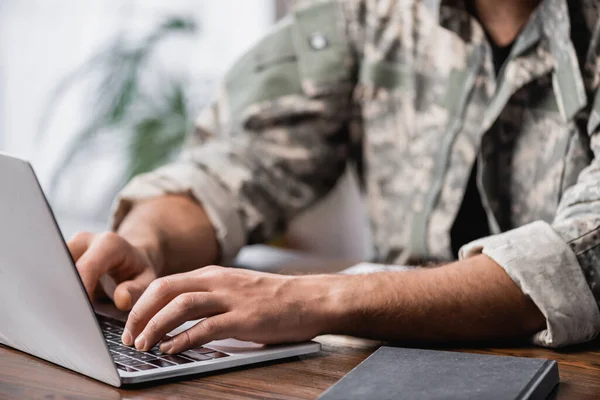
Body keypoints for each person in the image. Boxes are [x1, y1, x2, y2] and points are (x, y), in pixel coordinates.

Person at [68, 0, 600, 355]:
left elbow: (584, 253)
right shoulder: (367, 12)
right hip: (388, 368)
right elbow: (244, 163)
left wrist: (312, 300)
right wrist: (147, 242)